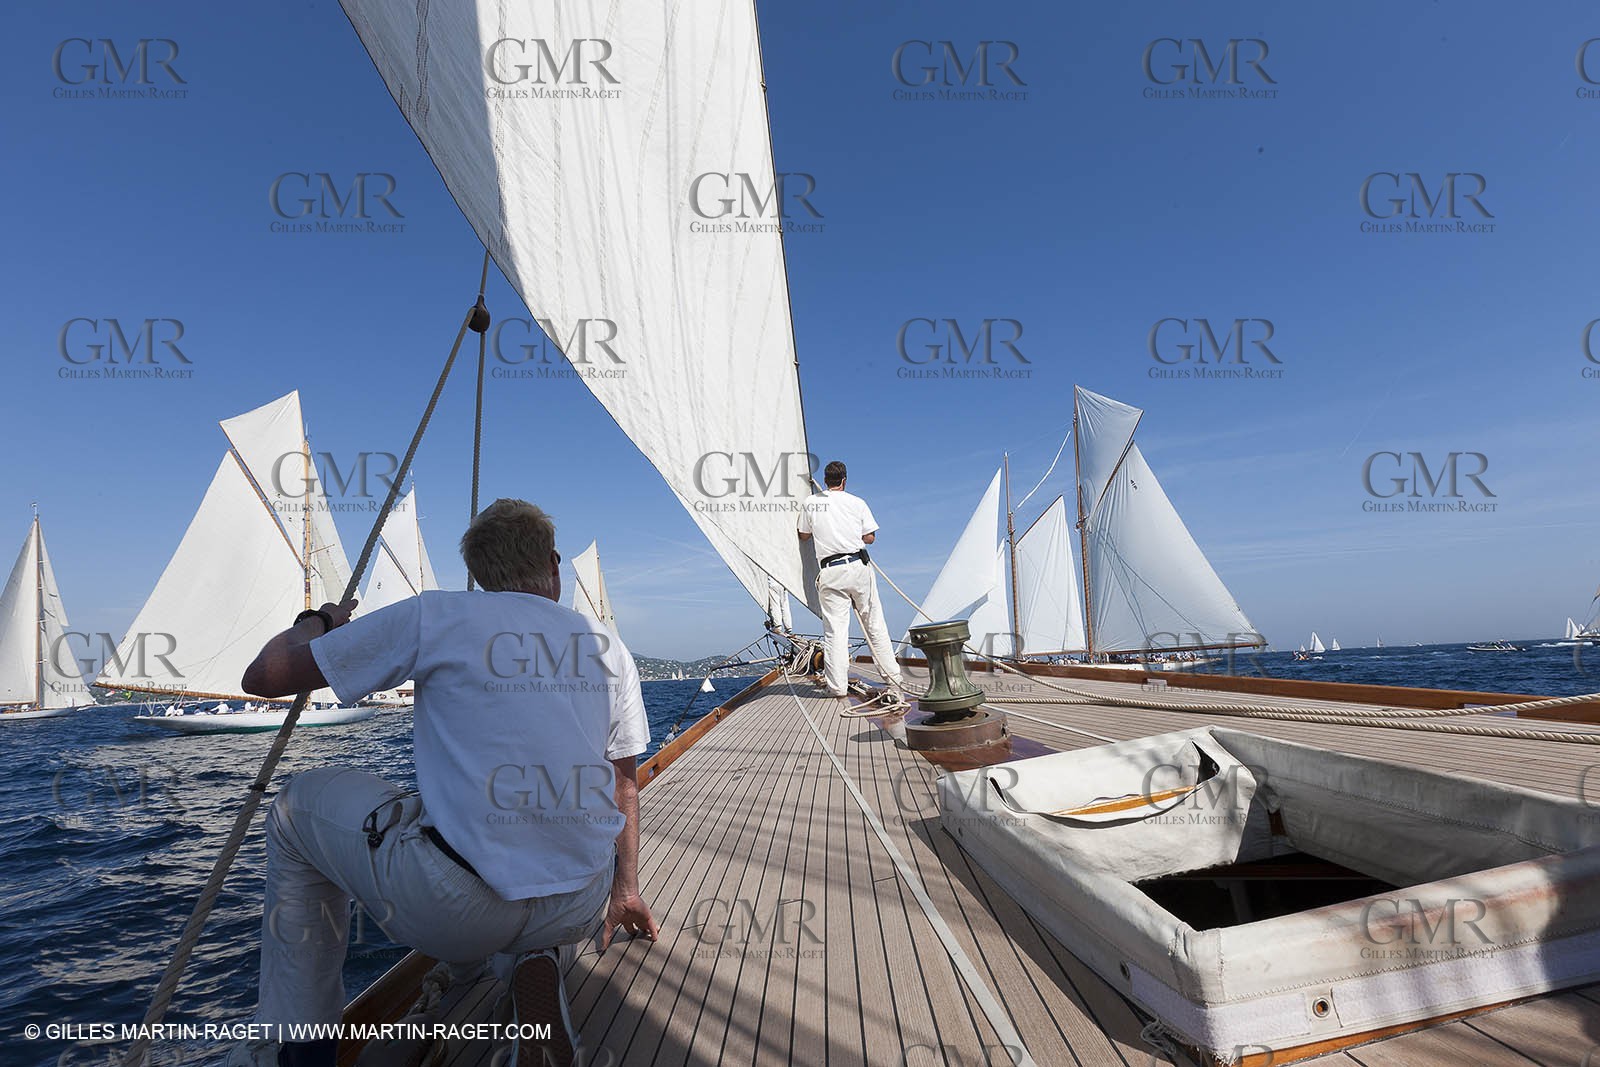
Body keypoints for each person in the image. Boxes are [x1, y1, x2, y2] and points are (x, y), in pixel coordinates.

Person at [228, 498, 659, 1067]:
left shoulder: (438, 616)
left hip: (456, 911)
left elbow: (262, 677)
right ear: (554, 563)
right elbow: (623, 787)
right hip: (580, 900)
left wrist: (319, 622)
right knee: (545, 844)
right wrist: (624, 892)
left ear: (478, 575)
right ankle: (536, 962)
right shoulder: (607, 644)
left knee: (293, 809)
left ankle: (296, 1051)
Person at [797, 460, 906, 706]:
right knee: (874, 623)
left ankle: (837, 687)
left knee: (835, 631)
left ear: (825, 481)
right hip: (858, 567)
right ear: (844, 481)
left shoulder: (811, 503)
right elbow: (870, 537)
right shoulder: (858, 503)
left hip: (830, 571)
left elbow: (803, 534)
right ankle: (892, 677)